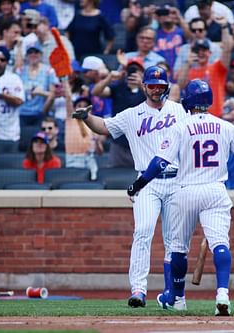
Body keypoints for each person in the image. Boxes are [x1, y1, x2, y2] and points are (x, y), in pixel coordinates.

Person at [126, 79, 234, 315]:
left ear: (189, 101)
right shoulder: (225, 126)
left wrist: (139, 184)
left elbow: (159, 162)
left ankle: (177, 298)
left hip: (185, 190)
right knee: (220, 243)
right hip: (216, 190)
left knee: (177, 248)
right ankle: (223, 295)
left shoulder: (180, 127)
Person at [72, 65, 188, 308]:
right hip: (147, 182)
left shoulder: (179, 110)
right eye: (152, 85)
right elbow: (104, 126)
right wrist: (86, 117)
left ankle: (172, 294)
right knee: (142, 232)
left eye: (160, 85)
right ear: (144, 86)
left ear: (167, 86)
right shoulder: (132, 114)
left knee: (174, 240)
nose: (156, 90)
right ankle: (138, 290)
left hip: (177, 180)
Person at [0, 45, 25, 153]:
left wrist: (1, 95)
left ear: (7, 62)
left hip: (10, 133)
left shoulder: (14, 79)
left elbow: (19, 101)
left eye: (2, 60)